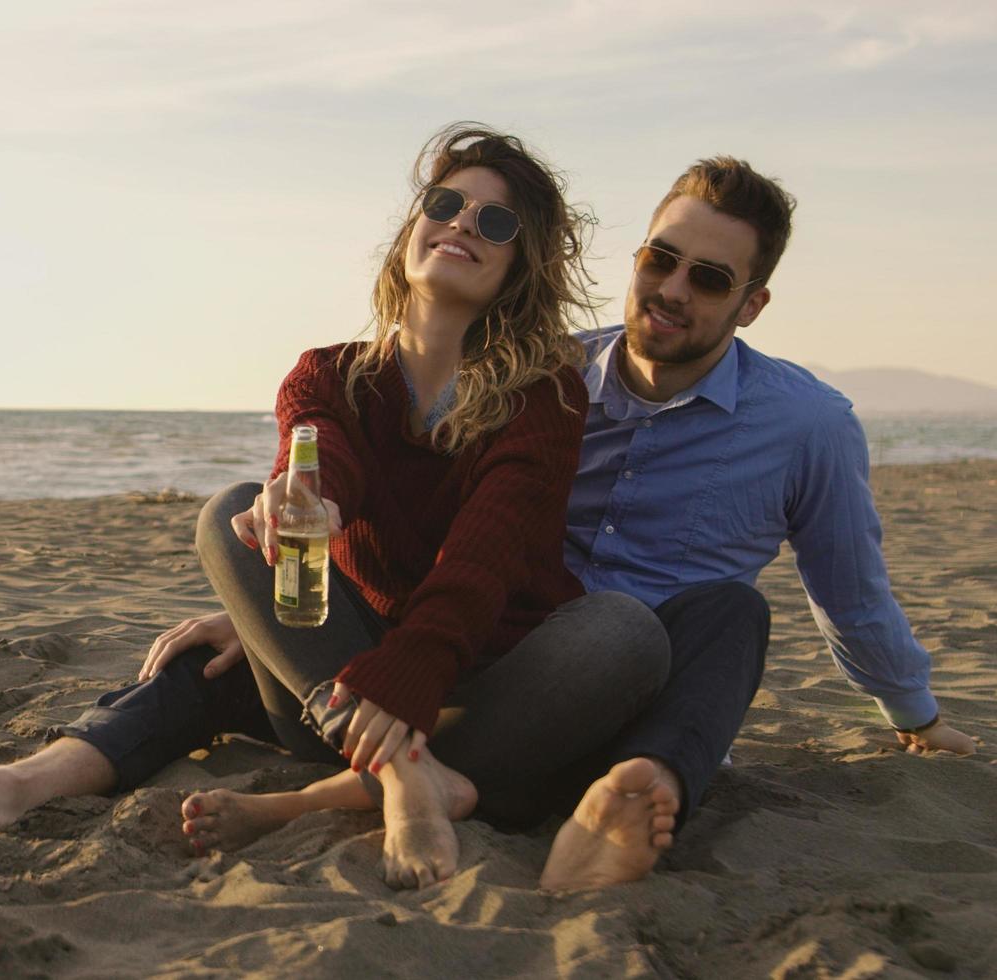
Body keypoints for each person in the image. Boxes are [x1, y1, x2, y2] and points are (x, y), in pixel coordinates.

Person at [0, 125, 674, 889]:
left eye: (495, 224)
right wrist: (301, 504)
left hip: (486, 685)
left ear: (518, 264)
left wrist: (403, 676)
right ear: (413, 226)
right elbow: (319, 458)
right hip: (351, 682)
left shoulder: (543, 392)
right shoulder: (326, 373)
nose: (462, 224)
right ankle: (7, 788)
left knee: (625, 633)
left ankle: (374, 775)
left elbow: (486, 555)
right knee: (230, 529)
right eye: (446, 203)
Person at [183, 155, 980, 892]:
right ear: (636, 258)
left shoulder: (808, 425)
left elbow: (851, 592)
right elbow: (440, 520)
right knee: (233, 528)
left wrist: (918, 716)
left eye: (707, 279)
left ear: (752, 304)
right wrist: (265, 596)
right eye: (659, 260)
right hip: (493, 667)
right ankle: (405, 779)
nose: (671, 289)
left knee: (727, 614)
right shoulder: (541, 373)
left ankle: (625, 793)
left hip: (635, 695)